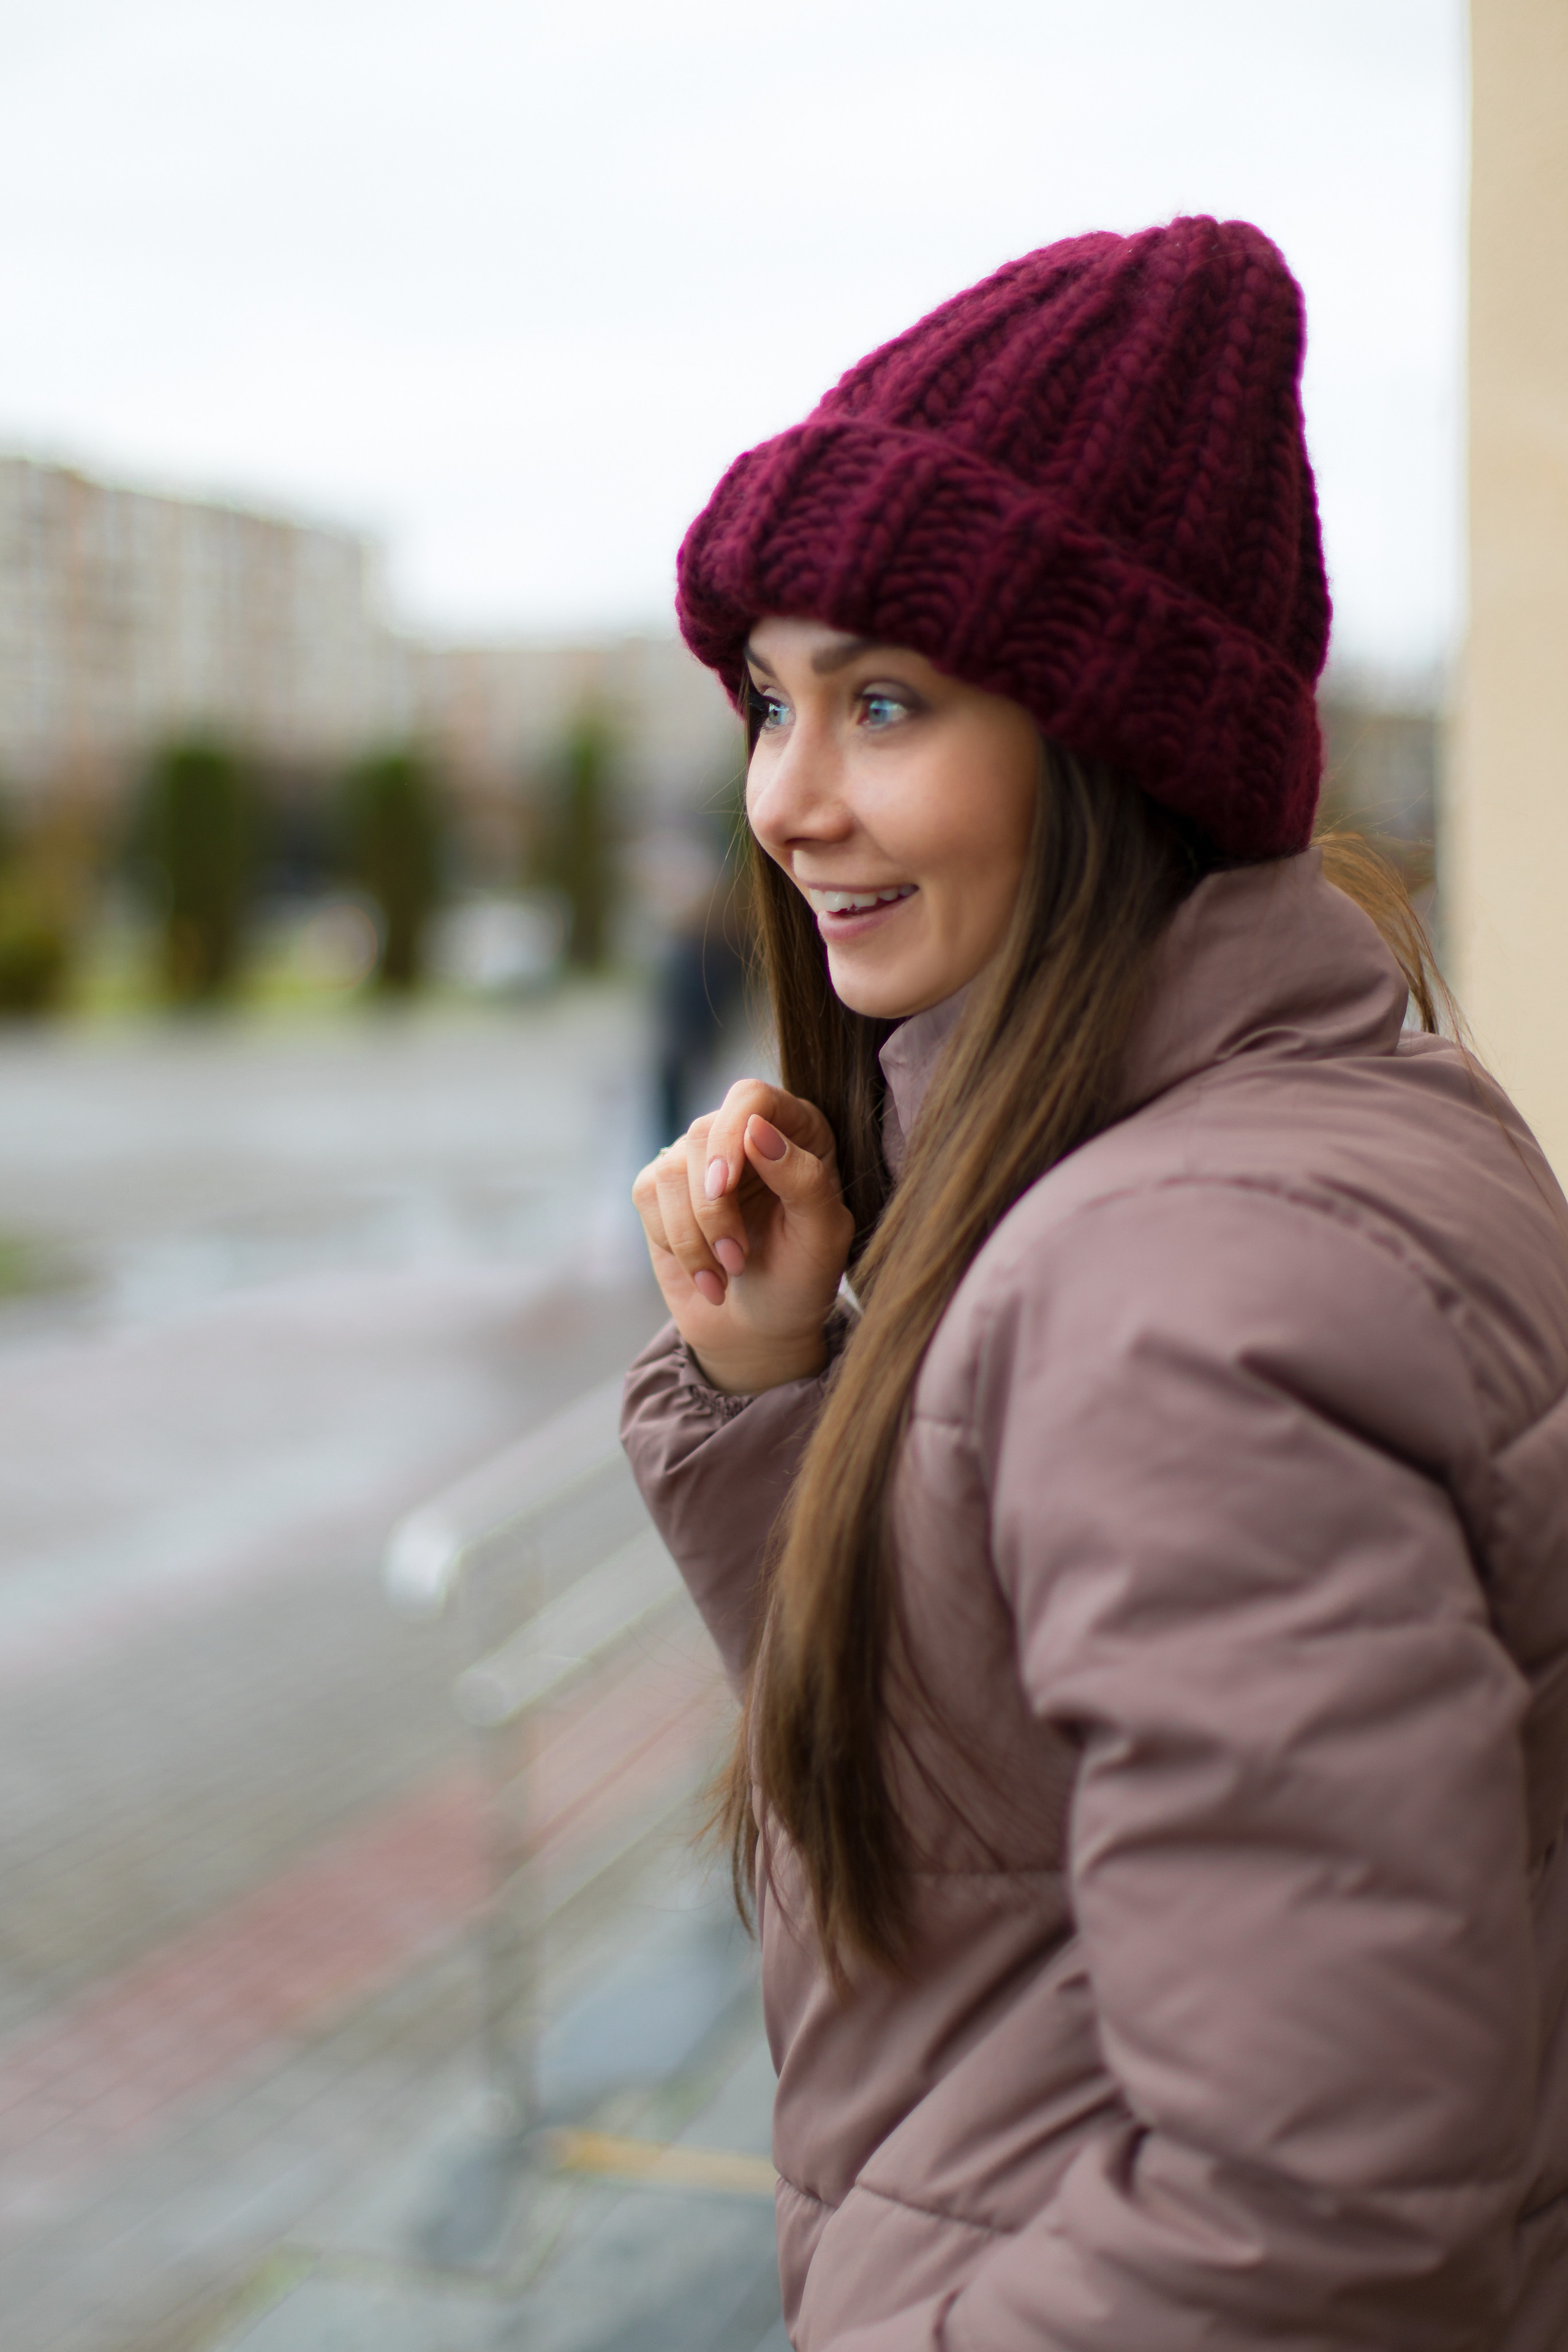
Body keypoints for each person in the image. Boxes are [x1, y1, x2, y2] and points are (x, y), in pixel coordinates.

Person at [620, 218, 1568, 2351]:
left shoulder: (1172, 1293)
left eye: (884, 702)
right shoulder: (1332, 1120)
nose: (788, 799)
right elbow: (990, 1814)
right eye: (769, 701)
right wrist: (780, 1395)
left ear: (1114, 736)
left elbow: (1316, 2222)